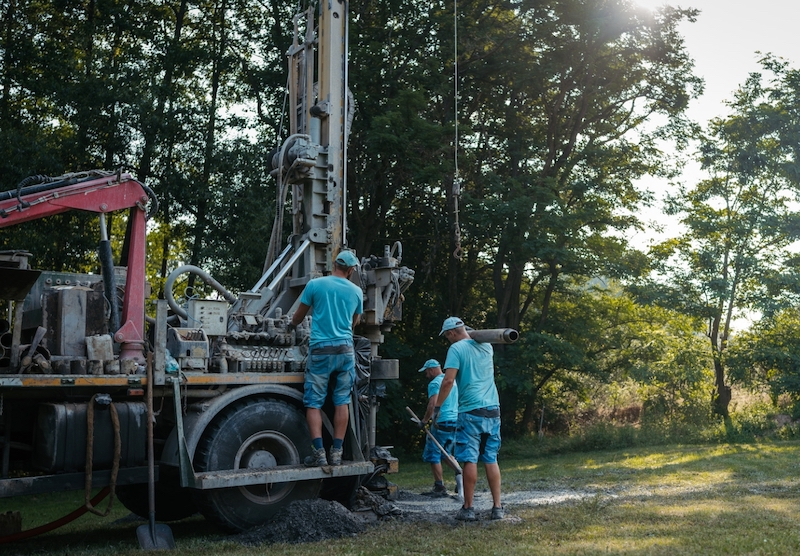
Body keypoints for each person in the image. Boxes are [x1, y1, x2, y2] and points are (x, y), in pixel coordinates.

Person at [289, 250, 363, 467]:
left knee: (313, 403)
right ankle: (337, 453)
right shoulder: (356, 291)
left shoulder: (315, 285)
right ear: (350, 270)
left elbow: (298, 317)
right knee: (342, 401)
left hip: (321, 350)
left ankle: (319, 453)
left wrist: (291, 326)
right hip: (345, 351)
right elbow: (354, 322)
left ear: (334, 264)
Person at [436, 316, 504, 521]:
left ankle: (468, 508)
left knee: (469, 459)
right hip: (493, 408)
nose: (448, 340)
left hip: (470, 411)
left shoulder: (456, 349)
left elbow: (448, 381)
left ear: (451, 333)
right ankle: (498, 508)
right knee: (491, 458)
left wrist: (437, 406)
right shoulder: (486, 346)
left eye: (447, 336)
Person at [418, 358, 459, 497]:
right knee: (446, 454)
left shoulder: (435, 383)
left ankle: (439, 487)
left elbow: (432, 405)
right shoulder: (453, 381)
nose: (426, 375)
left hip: (441, 422)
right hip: (455, 421)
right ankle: (462, 480)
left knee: (433, 453)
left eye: (426, 372)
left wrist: (424, 421)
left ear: (431, 369)